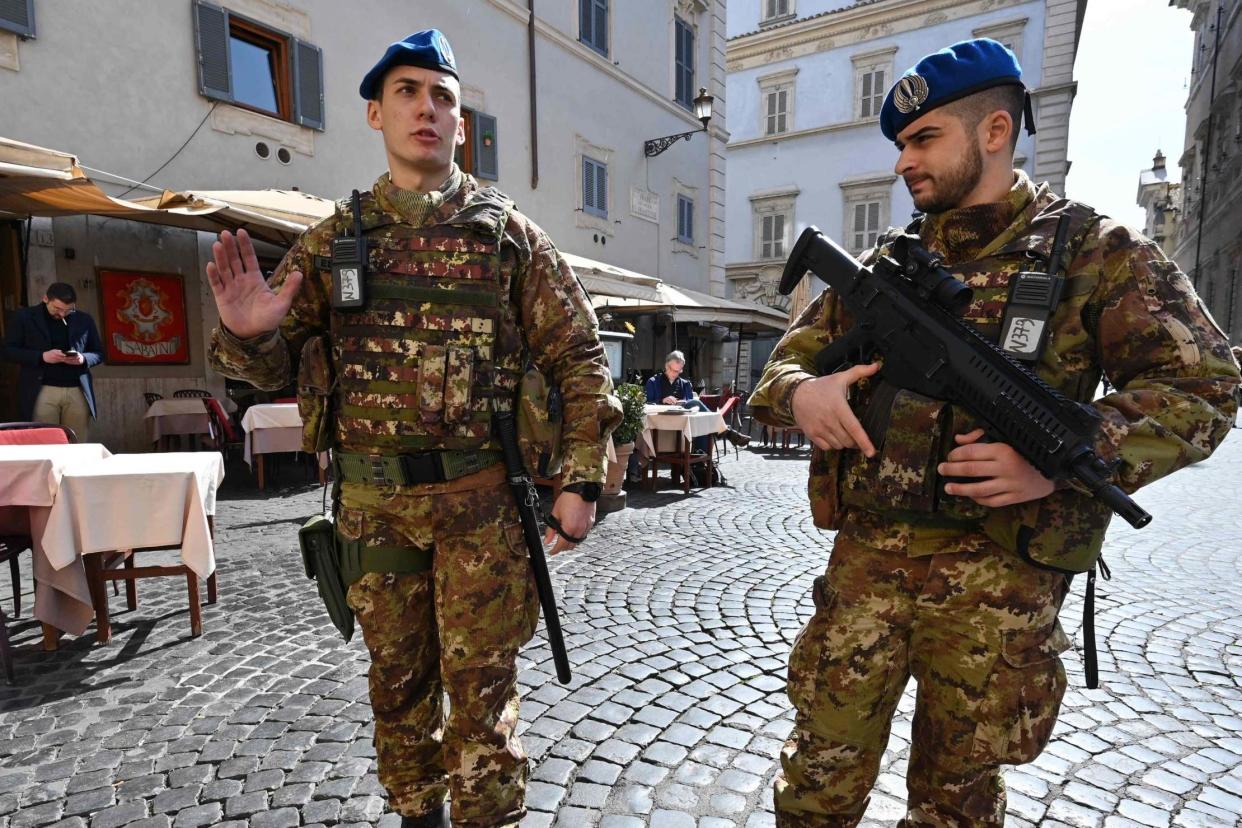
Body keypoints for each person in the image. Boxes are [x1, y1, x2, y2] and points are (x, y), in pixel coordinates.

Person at [750, 38, 1240, 826]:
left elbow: (1206, 384)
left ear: (994, 131)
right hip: (865, 570)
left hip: (999, 588)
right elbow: (782, 372)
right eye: (900, 144)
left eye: (922, 139)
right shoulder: (887, 263)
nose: (904, 162)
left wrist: (1071, 456)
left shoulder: (1097, 252)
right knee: (816, 786)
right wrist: (801, 394)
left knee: (959, 802)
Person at [205, 30, 620, 828]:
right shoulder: (334, 242)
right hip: (375, 508)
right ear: (375, 113)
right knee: (397, 689)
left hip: (483, 509)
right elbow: (269, 368)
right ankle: (416, 817)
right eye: (408, 93)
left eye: (443, 98)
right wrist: (251, 333)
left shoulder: (510, 240)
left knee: (483, 692)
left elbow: (578, 357)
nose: (426, 110)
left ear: (461, 125)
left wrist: (579, 482)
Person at [3, 282, 104, 440]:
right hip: (42, 389)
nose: (62, 314)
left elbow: (98, 353)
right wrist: (41, 356)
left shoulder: (84, 319)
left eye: (68, 310)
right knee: (45, 442)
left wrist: (83, 358)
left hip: (77, 390)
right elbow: (8, 351)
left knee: (77, 442)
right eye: (57, 309)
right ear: (45, 299)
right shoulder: (24, 317)